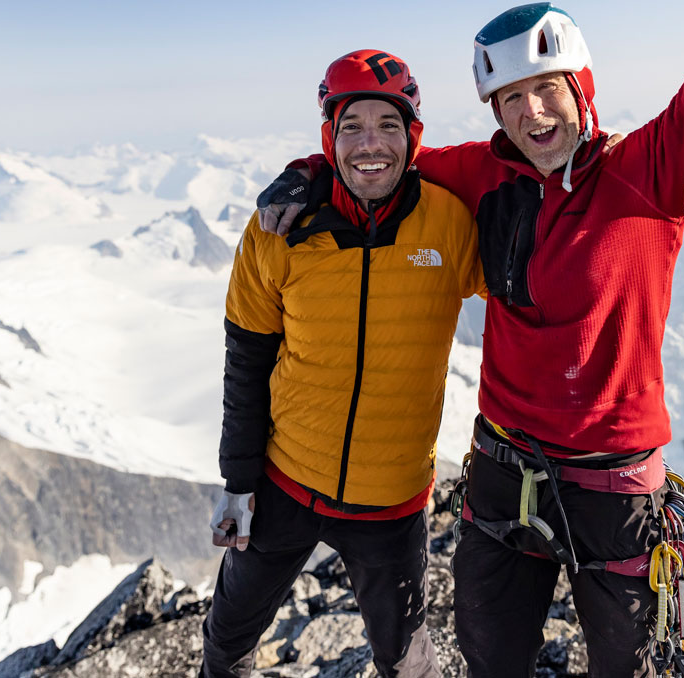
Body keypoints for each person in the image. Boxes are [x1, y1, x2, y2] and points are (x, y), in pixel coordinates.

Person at [256, 0, 684, 675]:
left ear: (580, 89)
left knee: (629, 664)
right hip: (505, 468)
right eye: (512, 100)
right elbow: (383, 156)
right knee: (489, 652)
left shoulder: (653, 170)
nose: (533, 114)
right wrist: (308, 171)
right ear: (495, 113)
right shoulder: (483, 174)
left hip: (616, 482)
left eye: (548, 91)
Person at [202, 49, 484, 678]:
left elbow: (527, 294)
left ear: (413, 137)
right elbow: (246, 360)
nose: (369, 144)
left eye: (388, 125)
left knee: (406, 662)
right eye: (351, 125)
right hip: (284, 482)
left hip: (392, 503)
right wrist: (238, 482)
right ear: (328, 137)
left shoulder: (450, 224)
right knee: (225, 640)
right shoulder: (280, 227)